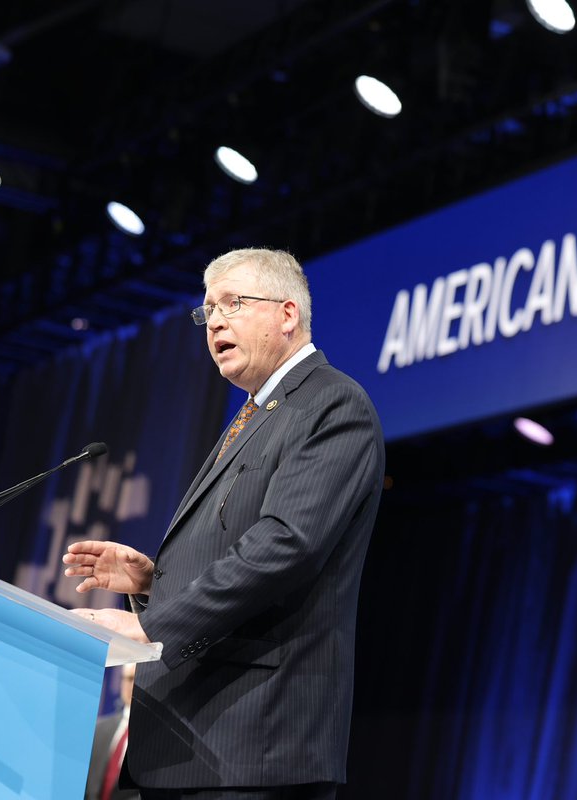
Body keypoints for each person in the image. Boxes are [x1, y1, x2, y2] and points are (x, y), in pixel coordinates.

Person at [63, 248, 385, 799]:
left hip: (252, 744)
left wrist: (152, 628)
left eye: (233, 303)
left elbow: (286, 543)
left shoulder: (332, 405)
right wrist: (151, 584)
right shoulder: (260, 413)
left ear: (288, 314)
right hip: (196, 743)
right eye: (207, 308)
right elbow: (239, 543)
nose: (213, 320)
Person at [86, 663, 139, 800]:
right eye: (128, 679)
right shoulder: (98, 729)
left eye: (137, 679)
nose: (132, 685)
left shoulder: (155, 737)